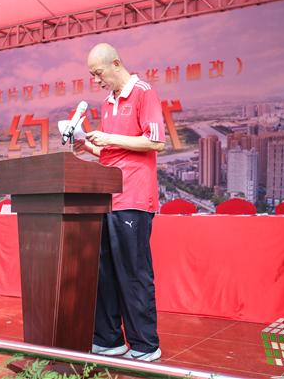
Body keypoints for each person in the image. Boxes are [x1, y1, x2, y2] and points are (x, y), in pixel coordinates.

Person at [76, 42, 165, 362]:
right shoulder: (107, 102)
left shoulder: (143, 92)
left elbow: (155, 140)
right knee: (104, 271)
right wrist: (87, 146)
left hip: (134, 197)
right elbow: (112, 152)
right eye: (92, 75)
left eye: (98, 73)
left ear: (115, 64)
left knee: (133, 271)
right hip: (107, 196)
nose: (96, 80)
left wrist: (109, 138)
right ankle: (108, 339)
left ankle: (145, 345)